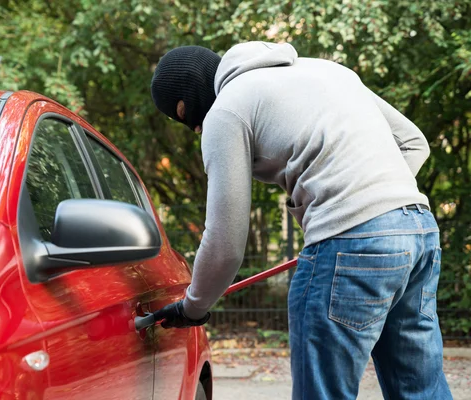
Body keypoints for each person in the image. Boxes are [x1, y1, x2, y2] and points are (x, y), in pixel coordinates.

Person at [150, 42, 452, 399]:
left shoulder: (226, 109)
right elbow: (414, 143)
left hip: (349, 243)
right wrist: (380, 214)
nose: (197, 131)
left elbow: (226, 243)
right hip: (418, 231)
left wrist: (193, 306)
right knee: (420, 390)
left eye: (186, 119)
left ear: (188, 100)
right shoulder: (327, 70)